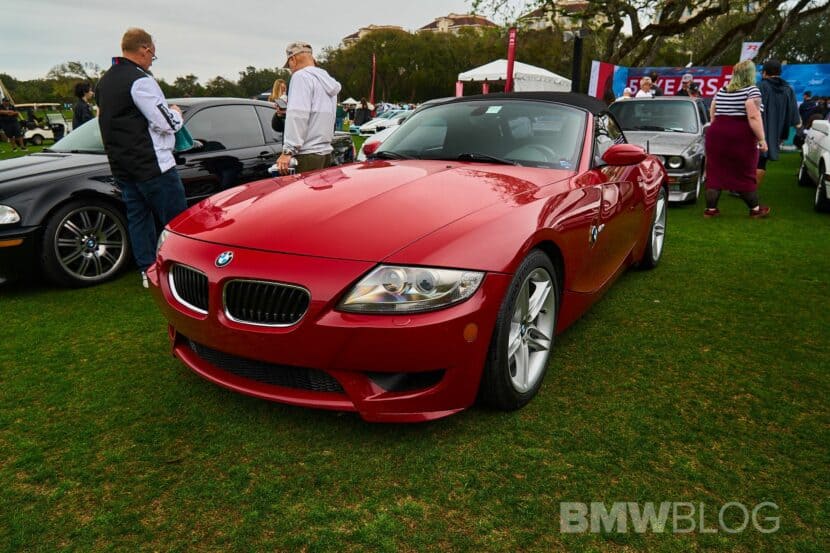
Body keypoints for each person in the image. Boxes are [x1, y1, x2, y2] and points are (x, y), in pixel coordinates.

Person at [96, 28, 187, 288]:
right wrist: (177, 113)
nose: (151, 61)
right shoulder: (140, 80)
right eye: (152, 57)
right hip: (153, 163)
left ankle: (148, 270)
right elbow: (165, 122)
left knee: (138, 218)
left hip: (122, 164)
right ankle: (181, 270)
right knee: (176, 221)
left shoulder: (104, 81)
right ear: (145, 49)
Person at [703, 59, 769, 219]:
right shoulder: (752, 91)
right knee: (744, 173)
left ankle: (710, 211)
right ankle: (755, 209)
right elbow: (753, 116)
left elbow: (713, 111)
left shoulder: (722, 90)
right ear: (750, 74)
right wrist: (762, 140)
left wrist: (719, 128)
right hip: (740, 136)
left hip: (716, 133)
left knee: (715, 173)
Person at [275, 41, 342, 175]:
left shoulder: (300, 76)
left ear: (292, 59)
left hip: (306, 154)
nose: (290, 69)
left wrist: (288, 151)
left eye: (289, 65)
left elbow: (298, 115)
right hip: (325, 152)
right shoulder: (326, 80)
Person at [756, 58, 800, 188]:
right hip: (775, 133)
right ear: (780, 72)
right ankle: (751, 190)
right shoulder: (788, 89)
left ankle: (745, 189)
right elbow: (794, 117)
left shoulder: (759, 86)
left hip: (756, 129)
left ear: (764, 73)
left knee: (751, 159)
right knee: (761, 161)